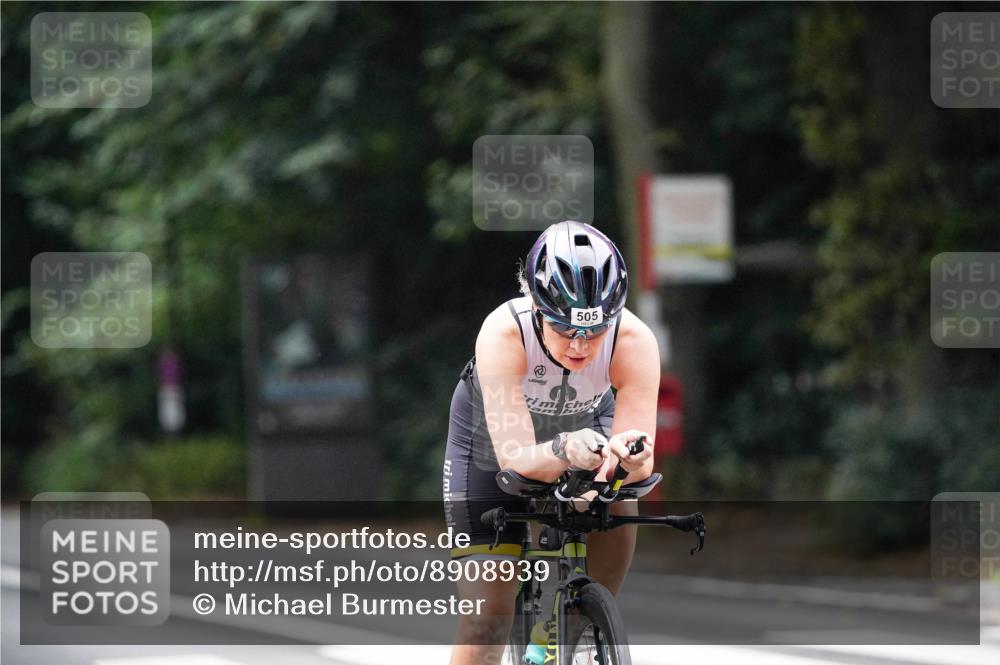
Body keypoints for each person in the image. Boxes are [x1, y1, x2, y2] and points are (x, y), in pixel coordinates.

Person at [442, 220, 659, 665]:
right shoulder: (504, 333)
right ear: (537, 309)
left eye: (595, 332)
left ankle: (572, 632)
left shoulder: (634, 341)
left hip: (586, 423)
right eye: (564, 329)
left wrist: (627, 459)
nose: (580, 346)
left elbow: (639, 460)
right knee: (488, 616)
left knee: (621, 498)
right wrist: (563, 450)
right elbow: (516, 459)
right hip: (490, 440)